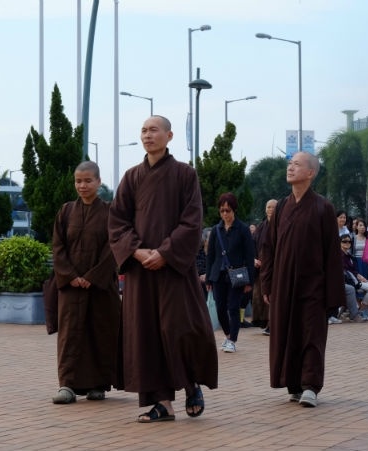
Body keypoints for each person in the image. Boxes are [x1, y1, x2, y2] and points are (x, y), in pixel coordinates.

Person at [108, 115, 217, 423]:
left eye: (154, 130)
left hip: (173, 270)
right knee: (146, 335)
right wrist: (137, 251)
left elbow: (192, 221)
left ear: (169, 136)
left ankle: (191, 383)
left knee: (179, 329)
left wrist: (166, 253)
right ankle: (162, 404)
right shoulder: (131, 177)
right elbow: (117, 222)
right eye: (143, 130)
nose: (147, 135)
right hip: (141, 272)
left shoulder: (185, 175)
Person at [259, 151, 345, 408]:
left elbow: (332, 253)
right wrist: (267, 282)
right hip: (284, 284)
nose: (290, 168)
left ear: (311, 173)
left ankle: (310, 386)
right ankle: (293, 384)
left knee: (311, 335)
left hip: (313, 286)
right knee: (287, 333)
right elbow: (269, 248)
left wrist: (333, 294)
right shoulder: (283, 207)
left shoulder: (323, 207)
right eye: (289, 164)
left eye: (296, 165)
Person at [50, 161, 122, 405]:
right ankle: (67, 385)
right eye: (78, 181)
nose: (82, 185)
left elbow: (113, 248)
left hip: (100, 288)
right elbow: (58, 247)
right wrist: (71, 276)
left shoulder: (111, 212)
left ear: (99, 182)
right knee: (70, 335)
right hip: (71, 287)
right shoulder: (66, 211)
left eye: (88, 180)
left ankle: (98, 385)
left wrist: (92, 277)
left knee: (99, 333)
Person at [206, 192, 256, 353]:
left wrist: (250, 281)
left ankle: (232, 340)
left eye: (228, 210)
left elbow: (249, 256)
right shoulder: (216, 230)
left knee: (233, 307)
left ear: (234, 210)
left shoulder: (243, 230)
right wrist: (208, 278)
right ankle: (228, 335)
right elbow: (211, 256)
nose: (225, 214)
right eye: (222, 210)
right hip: (218, 275)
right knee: (220, 308)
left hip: (237, 275)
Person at [340, 233, 368, 321]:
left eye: (349, 242)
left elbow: (353, 271)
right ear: (340, 243)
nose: (347, 243)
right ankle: (363, 310)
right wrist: (358, 277)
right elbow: (346, 272)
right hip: (350, 281)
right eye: (344, 241)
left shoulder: (349, 255)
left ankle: (366, 309)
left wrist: (360, 276)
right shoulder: (340, 255)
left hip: (355, 278)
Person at [252, 199, 277, 334]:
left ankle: (272, 324)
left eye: (273, 207)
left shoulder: (281, 226)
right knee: (259, 296)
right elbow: (252, 245)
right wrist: (254, 259)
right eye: (268, 207)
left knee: (272, 296)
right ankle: (264, 322)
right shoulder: (261, 227)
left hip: (274, 268)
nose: (271, 210)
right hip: (260, 268)